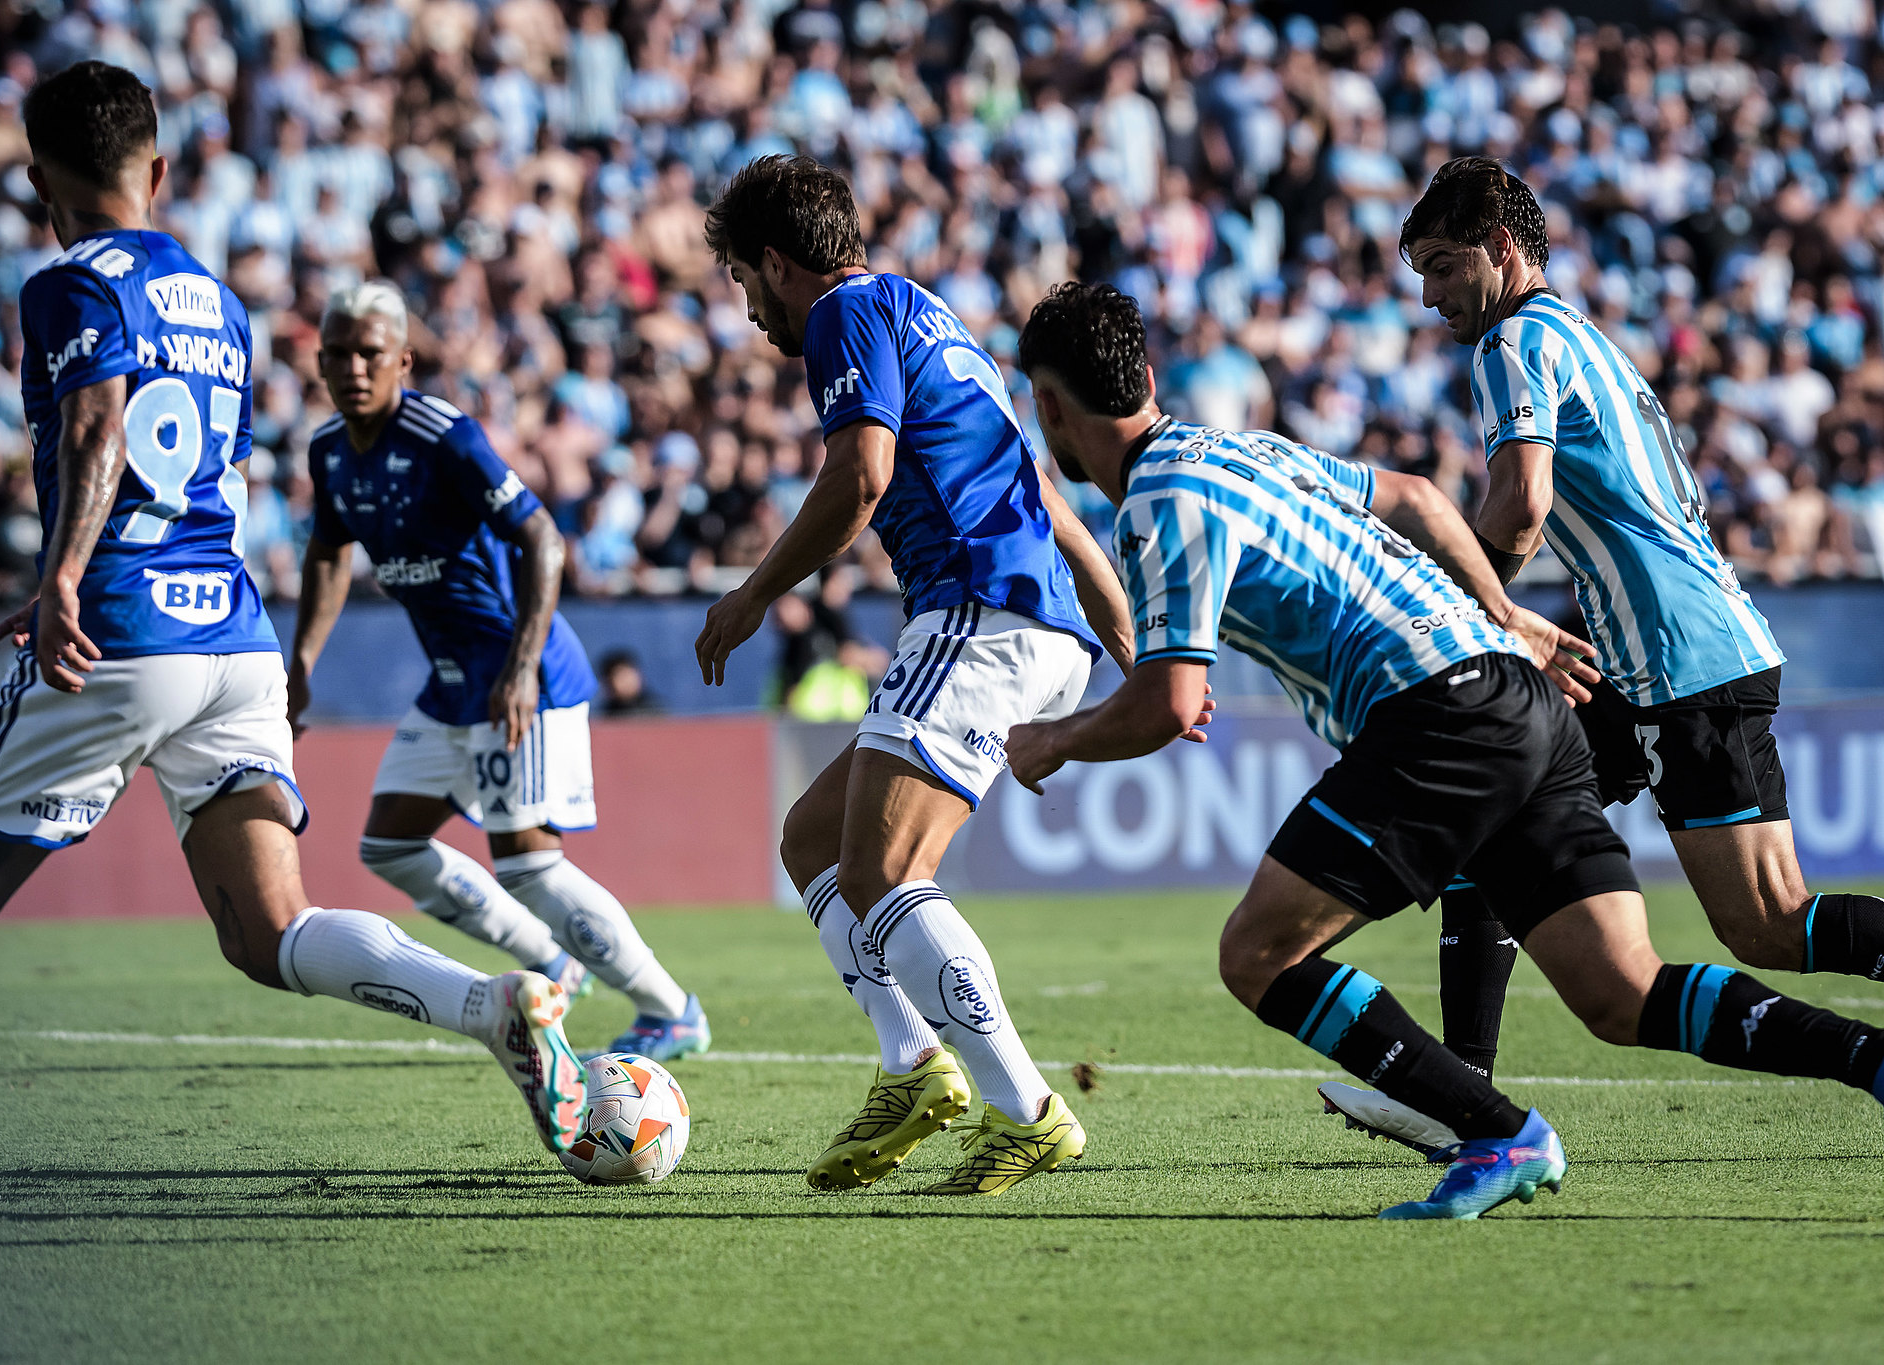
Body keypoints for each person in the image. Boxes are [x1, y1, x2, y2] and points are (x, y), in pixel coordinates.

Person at [0, 64, 586, 1240]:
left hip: (121, 628)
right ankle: (490, 1005)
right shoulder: (219, 301)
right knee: (268, 932)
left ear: (40, 181)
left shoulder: (71, 281)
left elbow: (96, 420)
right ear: (163, 169)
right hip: (229, 638)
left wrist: (64, 575)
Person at [1005, 282, 1884, 1219]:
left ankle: (1494, 1126)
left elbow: (1168, 703)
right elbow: (1419, 498)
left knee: (1258, 952)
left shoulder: (1152, 503)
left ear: (1050, 408)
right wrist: (1507, 614)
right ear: (1145, 374)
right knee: (1619, 992)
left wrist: (1052, 739)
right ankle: (1868, 1058)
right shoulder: (1239, 449)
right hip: (1514, 687)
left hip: (1439, 714)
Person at [1323, 157, 1884, 1153]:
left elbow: (1520, 507)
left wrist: (1464, 616)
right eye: (1418, 273)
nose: (1429, 294)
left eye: (1444, 267)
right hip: (1640, 657)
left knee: (1766, 923)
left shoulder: (1509, 343)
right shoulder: (1575, 333)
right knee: (1482, 826)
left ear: (1500, 250)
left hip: (1678, 663)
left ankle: (1464, 1110)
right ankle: (1465, 1107)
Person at [697, 156, 1136, 1195]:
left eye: (743, 283)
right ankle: (912, 1064)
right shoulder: (935, 321)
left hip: (979, 613)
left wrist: (754, 593)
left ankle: (1025, 1109)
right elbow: (1041, 490)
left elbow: (861, 476)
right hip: (1029, 618)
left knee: (884, 871)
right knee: (814, 839)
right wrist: (1125, 632)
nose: (750, 311)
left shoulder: (848, 313)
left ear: (774, 261)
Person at [289, 280, 708, 1062]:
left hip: (523, 673)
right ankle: (550, 961)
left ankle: (669, 1005)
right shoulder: (329, 453)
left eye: (369, 353)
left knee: (528, 862)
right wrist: (302, 663)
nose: (352, 367)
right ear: (318, 360)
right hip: (452, 683)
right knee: (390, 846)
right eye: (337, 353)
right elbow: (324, 552)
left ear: (403, 360)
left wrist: (520, 667)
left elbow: (544, 539)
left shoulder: (442, 435)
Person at [596, 649, 665, 716]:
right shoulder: (607, 715)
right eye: (621, 676)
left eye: (628, 674)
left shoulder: (655, 710)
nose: (627, 681)